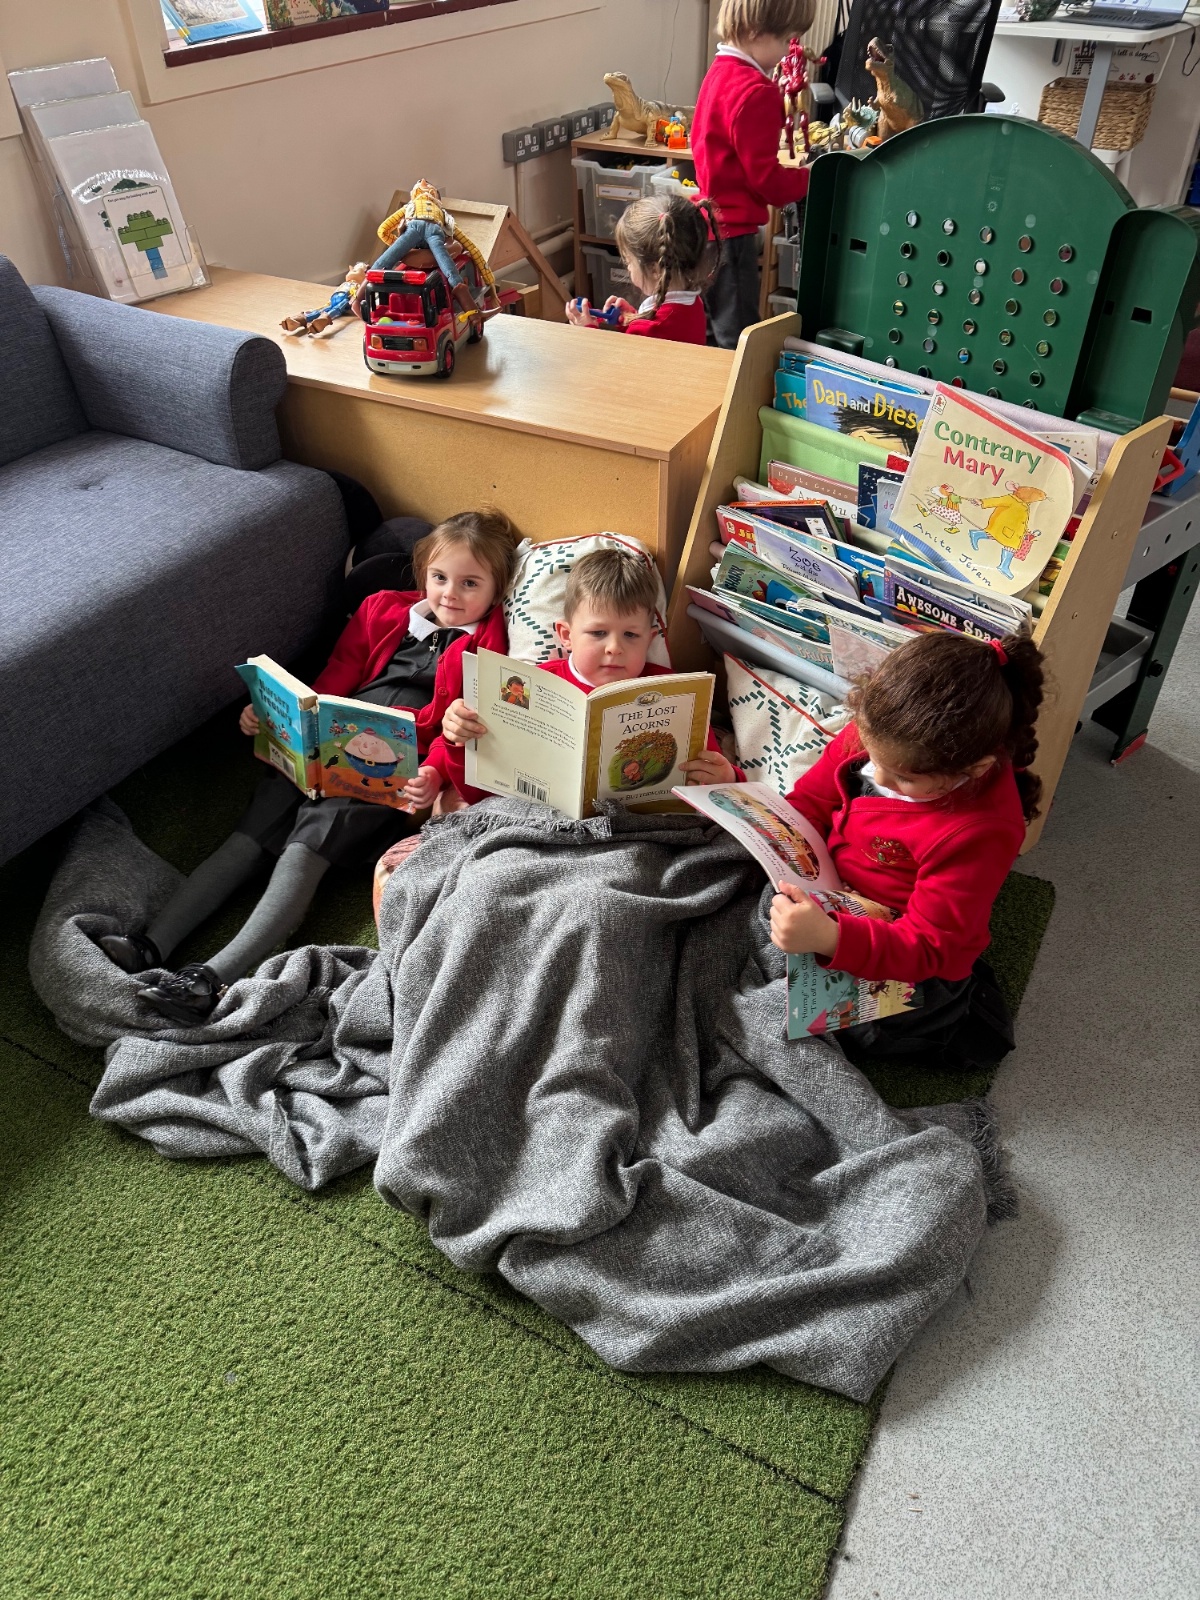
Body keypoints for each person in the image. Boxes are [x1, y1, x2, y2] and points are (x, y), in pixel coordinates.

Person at [98, 510, 519, 1025]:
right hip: (325, 745)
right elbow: (335, 677)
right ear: (423, 572)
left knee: (304, 848)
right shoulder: (382, 608)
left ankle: (210, 980)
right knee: (249, 837)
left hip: (384, 774)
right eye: (439, 577)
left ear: (496, 591)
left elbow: (459, 727)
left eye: (470, 583)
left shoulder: (489, 647)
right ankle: (150, 945)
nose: (450, 593)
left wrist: (432, 775)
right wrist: (279, 719)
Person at [768, 629, 1045, 1067]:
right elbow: (809, 803)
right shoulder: (880, 735)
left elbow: (932, 945)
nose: (876, 776)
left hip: (908, 949)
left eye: (903, 779)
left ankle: (953, 1019)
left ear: (975, 769)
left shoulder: (981, 830)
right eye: (871, 756)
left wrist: (830, 937)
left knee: (829, 1028)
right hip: (838, 895)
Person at [442, 548, 744, 784]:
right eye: (598, 633)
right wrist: (459, 740)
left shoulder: (677, 693)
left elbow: (710, 773)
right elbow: (479, 792)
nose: (614, 647)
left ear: (649, 639)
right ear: (566, 636)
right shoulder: (528, 687)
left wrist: (728, 778)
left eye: (631, 635)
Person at [691, 0, 816, 348]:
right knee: (738, 335)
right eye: (786, 40)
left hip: (707, 224)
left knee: (712, 328)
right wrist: (810, 176)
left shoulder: (717, 73)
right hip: (732, 235)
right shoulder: (756, 91)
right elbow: (769, 183)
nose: (788, 52)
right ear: (755, 32)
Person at [565, 193, 720, 345]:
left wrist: (588, 333)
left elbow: (614, 361)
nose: (628, 268)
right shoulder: (694, 303)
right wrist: (633, 317)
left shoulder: (648, 330)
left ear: (655, 270)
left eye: (628, 261)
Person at [369, 179, 496, 322]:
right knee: (385, 261)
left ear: (436, 195)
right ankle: (359, 297)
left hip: (433, 234)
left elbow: (469, 245)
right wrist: (403, 247)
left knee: (448, 267)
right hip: (416, 230)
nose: (423, 181)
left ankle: (473, 312)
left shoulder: (443, 215)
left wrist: (489, 280)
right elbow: (382, 231)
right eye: (420, 183)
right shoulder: (411, 207)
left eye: (428, 184)